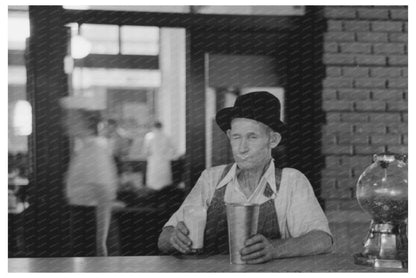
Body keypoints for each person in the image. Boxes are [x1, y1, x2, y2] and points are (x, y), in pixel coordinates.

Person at [158, 91, 333, 264]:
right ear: (229, 136)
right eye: (236, 137)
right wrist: (174, 238)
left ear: (273, 140)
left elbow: (322, 240)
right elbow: (163, 238)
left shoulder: (292, 181)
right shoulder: (210, 179)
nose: (242, 148)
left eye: (252, 137)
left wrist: (276, 249)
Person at [60, 96, 118, 256]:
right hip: (82, 222)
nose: (65, 121)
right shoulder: (84, 149)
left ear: (83, 120)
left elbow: (104, 197)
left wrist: (101, 243)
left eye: (70, 116)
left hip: (91, 224)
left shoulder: (95, 150)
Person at [143, 121, 176, 190]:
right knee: (163, 180)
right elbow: (173, 149)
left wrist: (149, 155)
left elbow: (146, 151)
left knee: (153, 179)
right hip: (163, 161)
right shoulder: (166, 136)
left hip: (153, 161)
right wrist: (167, 155)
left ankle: (153, 194)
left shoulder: (149, 136)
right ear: (161, 127)